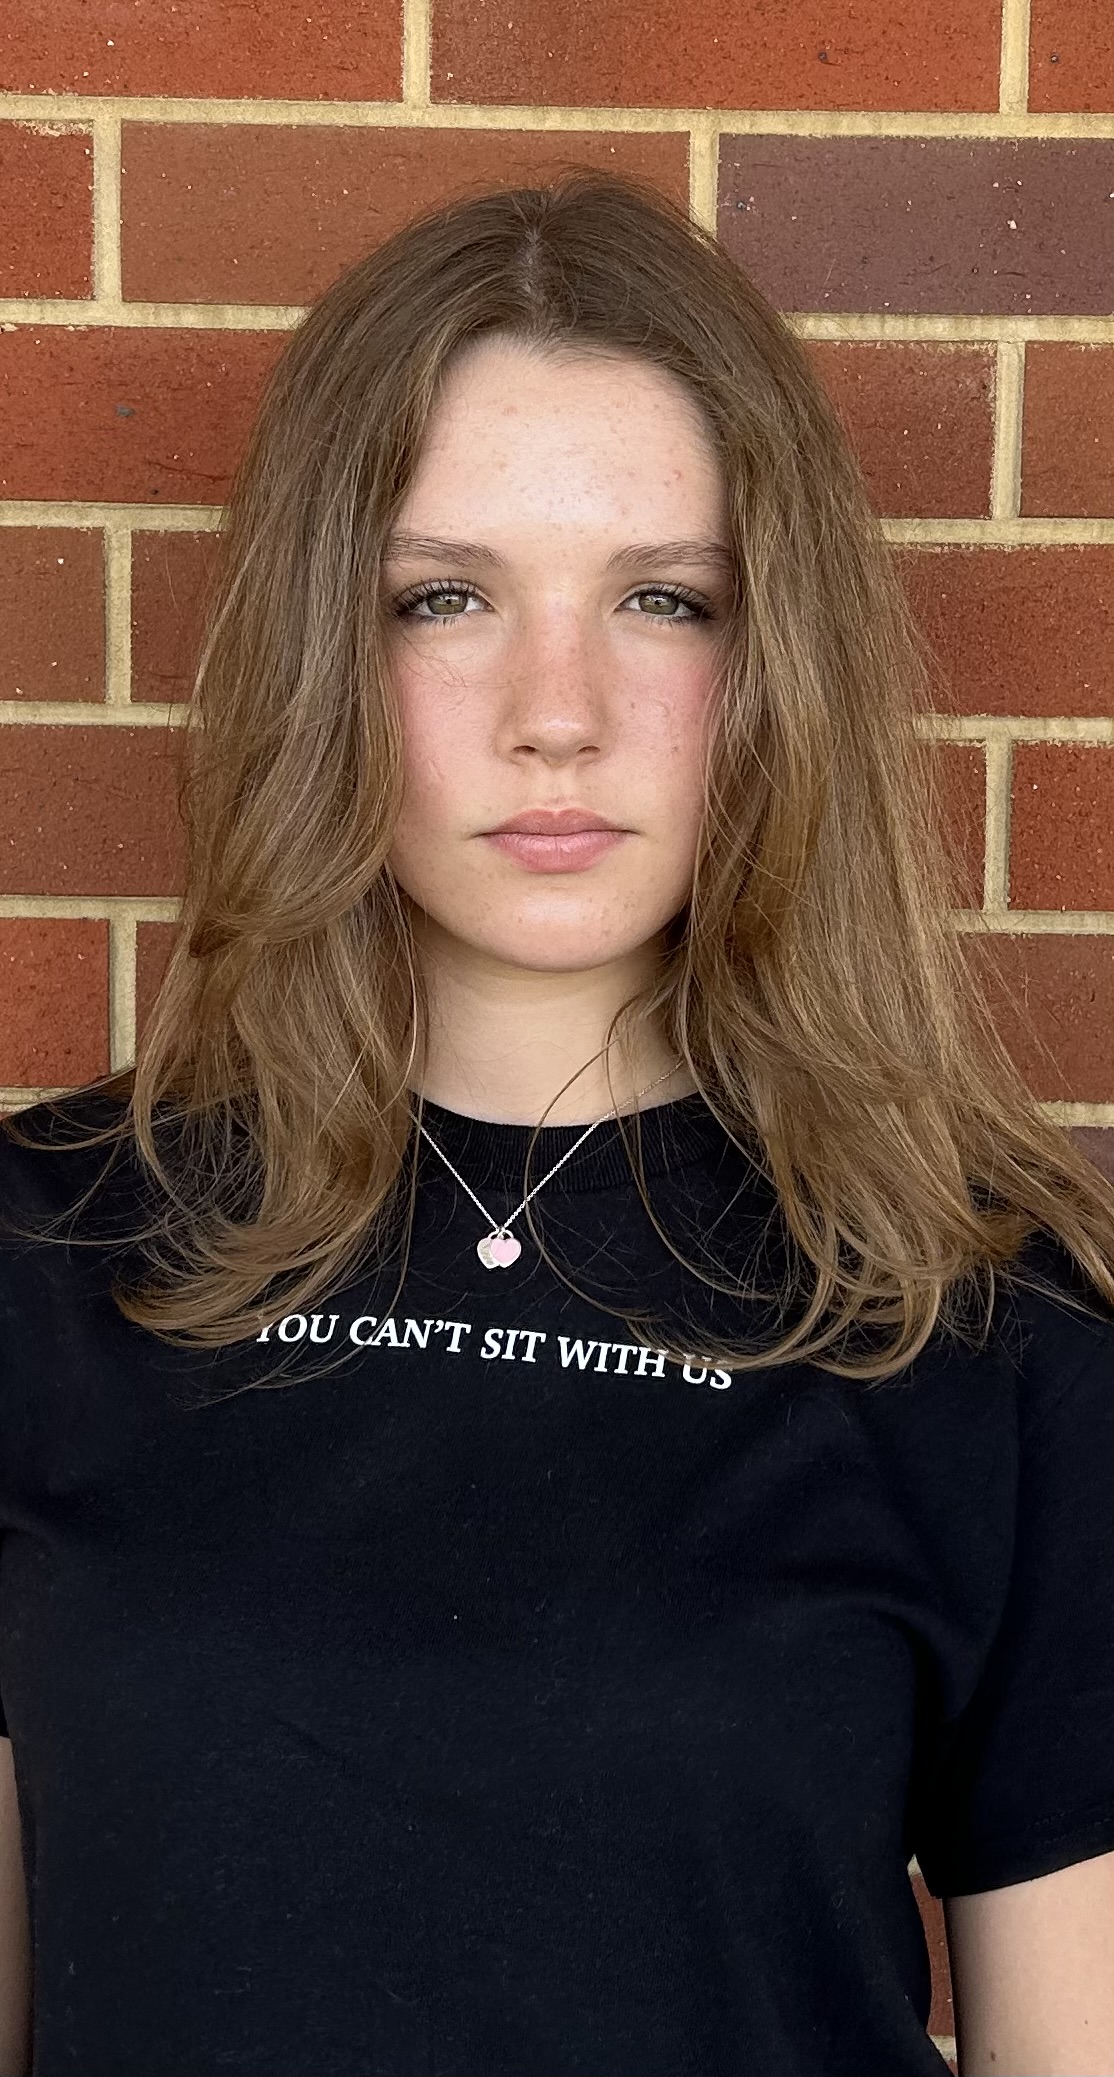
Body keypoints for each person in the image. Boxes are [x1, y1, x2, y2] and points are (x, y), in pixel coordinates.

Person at [0, 171, 1112, 2077]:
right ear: (322, 652)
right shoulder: (45, 1257)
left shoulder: (985, 1326)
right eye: (444, 597)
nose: (558, 712)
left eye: (662, 600)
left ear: (774, 661)